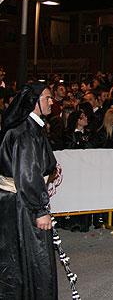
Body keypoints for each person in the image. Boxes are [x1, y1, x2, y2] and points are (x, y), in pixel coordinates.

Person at [0, 82, 58, 299]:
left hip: (17, 202)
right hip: (22, 205)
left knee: (18, 258)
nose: (51, 102)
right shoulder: (25, 132)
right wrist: (39, 210)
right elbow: (27, 173)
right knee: (32, 258)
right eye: (47, 98)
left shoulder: (30, 127)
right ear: (33, 102)